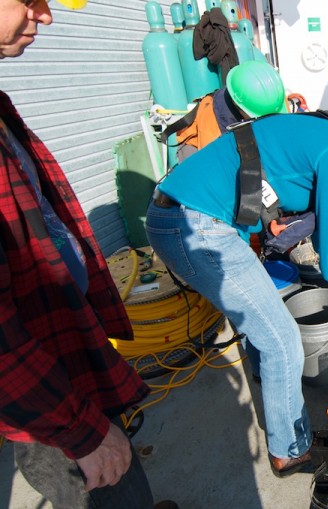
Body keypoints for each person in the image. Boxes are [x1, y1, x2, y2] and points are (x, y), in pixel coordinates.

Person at [145, 76, 328, 477]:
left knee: (269, 330)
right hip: (195, 224)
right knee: (282, 342)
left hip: (183, 213)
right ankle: (289, 451)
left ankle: (275, 396)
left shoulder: (326, 127)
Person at [0, 1, 174, 508]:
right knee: (103, 481)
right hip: (44, 395)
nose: (46, 16)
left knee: (124, 475)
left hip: (67, 350)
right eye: (28, 0)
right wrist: (80, 431)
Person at [162, 59, 287, 164]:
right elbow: (217, 167)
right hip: (196, 150)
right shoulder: (213, 125)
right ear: (239, 106)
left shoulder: (273, 98)